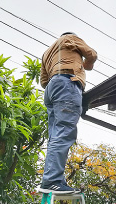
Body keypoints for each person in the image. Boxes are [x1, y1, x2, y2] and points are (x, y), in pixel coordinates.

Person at [39, 32, 97, 194]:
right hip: (67, 83)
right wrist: (86, 66)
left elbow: (44, 81)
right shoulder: (69, 38)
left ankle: (51, 179)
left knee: (55, 136)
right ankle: (53, 181)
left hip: (51, 89)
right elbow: (91, 54)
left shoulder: (47, 53)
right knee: (64, 132)